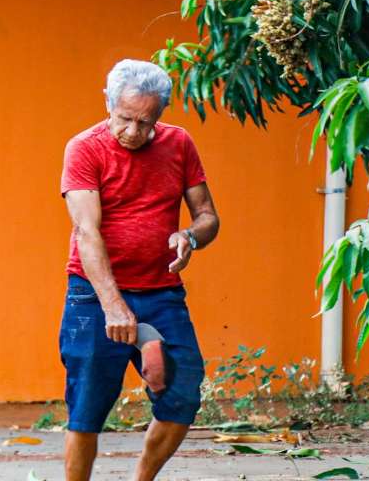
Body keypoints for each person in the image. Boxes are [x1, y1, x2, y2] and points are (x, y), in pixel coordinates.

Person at [59, 59, 220, 481]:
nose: (133, 132)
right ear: (109, 104)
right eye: (125, 119)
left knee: (182, 394)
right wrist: (113, 306)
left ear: (161, 114)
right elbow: (86, 231)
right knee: (87, 407)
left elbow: (207, 215)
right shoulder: (84, 147)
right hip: (94, 297)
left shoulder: (179, 143)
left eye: (145, 122)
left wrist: (191, 236)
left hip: (161, 292)